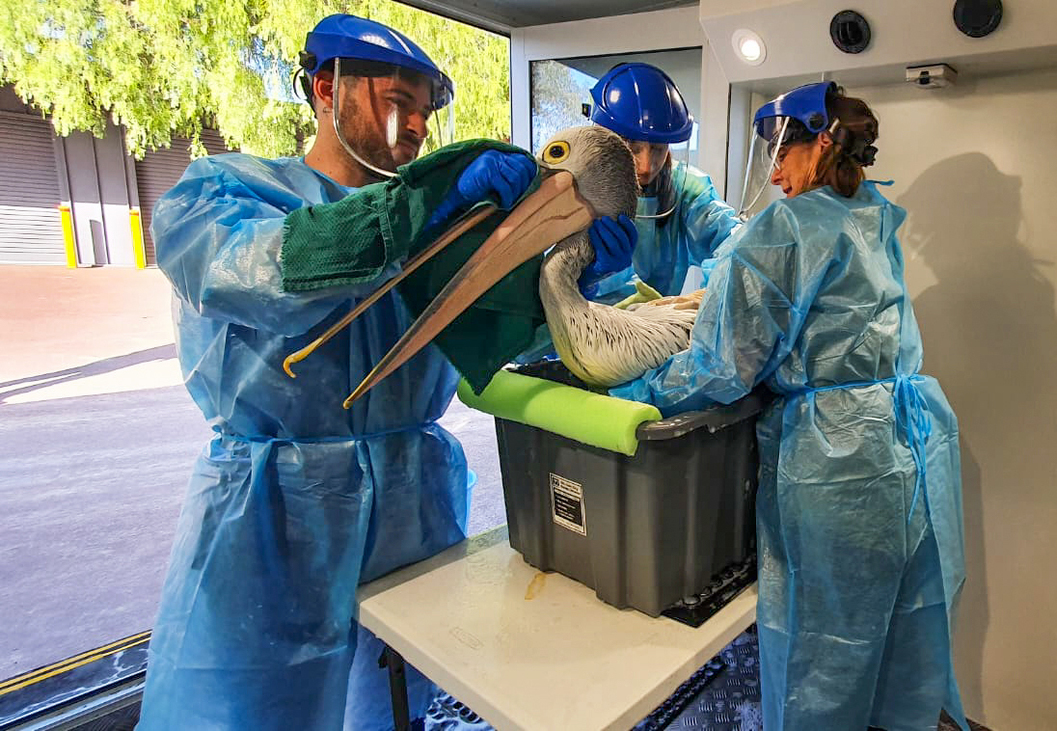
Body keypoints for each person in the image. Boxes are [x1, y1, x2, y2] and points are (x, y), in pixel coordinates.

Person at [136, 14, 541, 730]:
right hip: (272, 519)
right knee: (254, 708)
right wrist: (408, 211)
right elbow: (260, 271)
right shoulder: (223, 192)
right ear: (326, 88)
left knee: (390, 703)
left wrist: (565, 263)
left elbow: (488, 330)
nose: (415, 125)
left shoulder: (432, 230)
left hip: (413, 498)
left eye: (423, 112)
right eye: (396, 103)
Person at [611, 82, 969, 730]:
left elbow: (724, 361)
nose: (773, 171)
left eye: (782, 151)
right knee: (891, 631)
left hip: (839, 464)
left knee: (820, 649)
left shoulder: (790, 226)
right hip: (913, 451)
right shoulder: (873, 216)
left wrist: (639, 390)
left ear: (819, 143)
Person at [579, 62, 742, 301]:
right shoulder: (577, 189)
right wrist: (587, 279)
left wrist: (709, 300)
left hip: (657, 331)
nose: (647, 166)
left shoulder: (687, 191)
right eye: (632, 148)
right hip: (585, 328)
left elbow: (736, 244)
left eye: (658, 148)